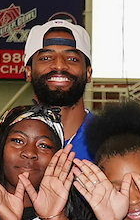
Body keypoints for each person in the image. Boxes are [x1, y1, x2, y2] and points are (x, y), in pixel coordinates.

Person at [22, 17, 98, 156]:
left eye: (72, 59)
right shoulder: (2, 148)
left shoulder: (113, 143)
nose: (59, 65)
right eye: (46, 58)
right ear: (28, 72)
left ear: (88, 73)